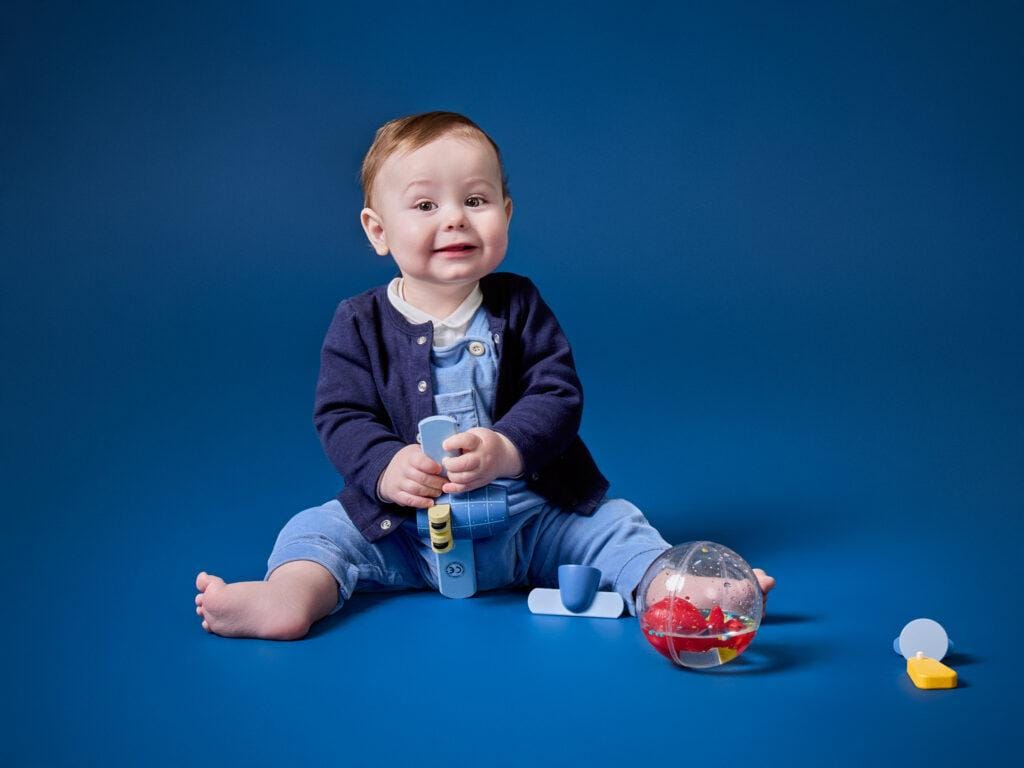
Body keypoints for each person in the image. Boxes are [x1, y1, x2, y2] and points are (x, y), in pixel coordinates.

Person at [194, 111, 775, 640]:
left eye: (476, 200)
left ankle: (672, 590)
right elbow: (341, 415)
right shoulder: (359, 322)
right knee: (321, 533)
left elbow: (558, 393)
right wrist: (384, 466)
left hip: (528, 521)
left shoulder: (518, 304)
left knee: (613, 525)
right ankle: (289, 595)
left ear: (506, 212)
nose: (454, 220)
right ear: (377, 231)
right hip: (403, 528)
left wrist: (505, 447)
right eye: (425, 206)